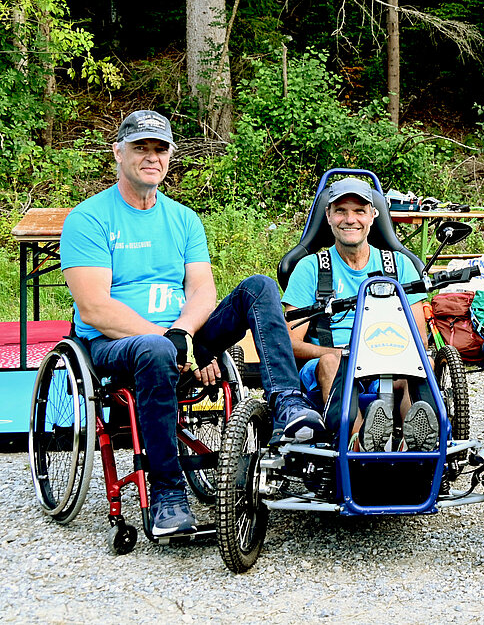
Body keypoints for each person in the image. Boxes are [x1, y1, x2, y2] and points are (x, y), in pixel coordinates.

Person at [61, 110, 323, 537]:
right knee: (156, 349)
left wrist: (186, 334)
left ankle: (289, 405)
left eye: (160, 148)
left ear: (170, 156)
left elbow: (202, 290)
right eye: (141, 147)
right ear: (118, 153)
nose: (152, 157)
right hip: (116, 344)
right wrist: (171, 341)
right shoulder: (89, 219)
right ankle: (167, 495)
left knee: (258, 288)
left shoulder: (183, 219)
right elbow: (94, 308)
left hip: (182, 336)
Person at [281, 177, 435, 452]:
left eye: (359, 211)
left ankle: (414, 447)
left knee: (424, 365)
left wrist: (380, 356)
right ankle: (360, 444)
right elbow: (290, 343)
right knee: (331, 363)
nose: (350, 219)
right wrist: (341, 354)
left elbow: (420, 340)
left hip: (389, 357)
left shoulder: (400, 265)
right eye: (341, 211)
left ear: (373, 215)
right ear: (328, 216)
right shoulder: (309, 268)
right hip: (333, 362)